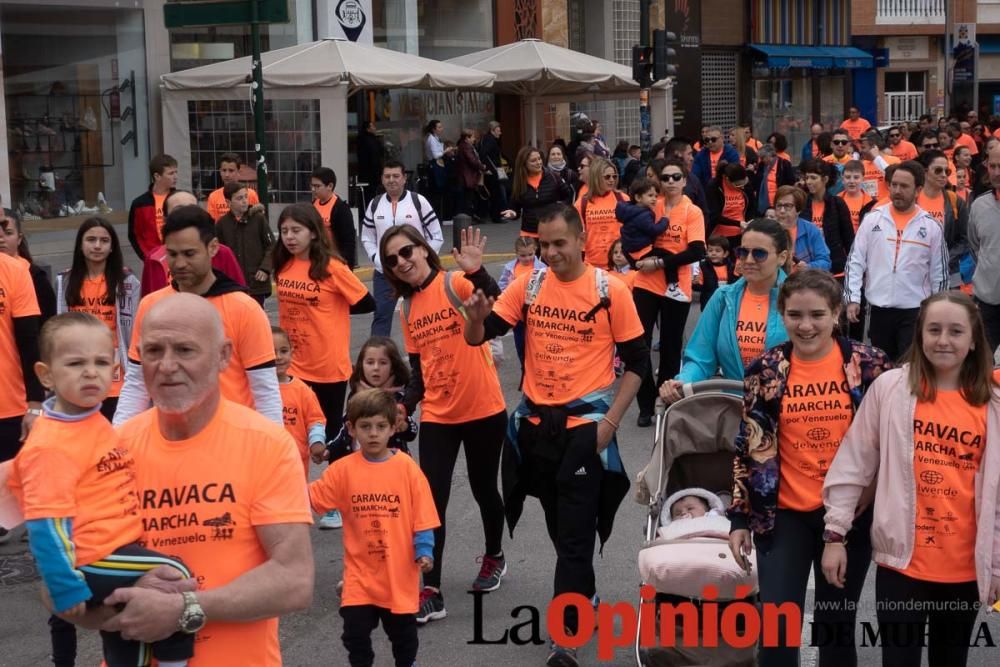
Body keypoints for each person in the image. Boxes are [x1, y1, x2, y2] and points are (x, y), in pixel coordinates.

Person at [462, 203, 648, 667]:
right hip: (535, 429)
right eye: (543, 244)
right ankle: (585, 597)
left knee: (575, 536)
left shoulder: (611, 289)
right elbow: (479, 336)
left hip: (586, 429)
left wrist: (610, 424)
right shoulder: (532, 282)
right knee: (558, 526)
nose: (550, 253)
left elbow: (640, 364)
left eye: (559, 243)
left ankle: (565, 636)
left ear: (583, 240)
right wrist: (474, 313)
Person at [105, 293, 313, 666]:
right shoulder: (111, 452)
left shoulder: (266, 445)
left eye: (185, 350)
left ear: (223, 355)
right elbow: (61, 588)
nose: (167, 366)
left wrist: (184, 608)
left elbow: (295, 580)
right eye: (153, 351)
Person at [821, 292, 1000, 667]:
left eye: (955, 331)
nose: (943, 340)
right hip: (902, 566)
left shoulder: (992, 405)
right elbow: (855, 463)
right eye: (933, 329)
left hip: (964, 569)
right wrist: (835, 534)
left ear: (973, 340)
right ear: (919, 335)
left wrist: (996, 565)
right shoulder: (891, 390)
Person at [8, 312, 196, 667]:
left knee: (127, 641)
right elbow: (47, 525)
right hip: (93, 558)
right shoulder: (50, 445)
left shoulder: (92, 420)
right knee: (177, 574)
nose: (91, 371)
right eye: (76, 363)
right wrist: (65, 584)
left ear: (115, 369)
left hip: (117, 546)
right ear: (45, 375)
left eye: (101, 361)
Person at [728, 269, 892, 667]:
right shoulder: (765, 370)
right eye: (795, 315)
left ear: (837, 313)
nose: (806, 325)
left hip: (849, 516)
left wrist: (859, 508)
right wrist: (739, 517)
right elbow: (748, 446)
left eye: (817, 314)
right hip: (783, 515)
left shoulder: (870, 366)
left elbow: (887, 447)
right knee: (778, 634)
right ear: (781, 314)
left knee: (836, 630)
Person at [381, 225, 508, 622]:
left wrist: (478, 274)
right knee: (432, 500)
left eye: (406, 252)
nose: (401, 262)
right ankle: (431, 588)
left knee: (484, 488)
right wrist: (404, 404)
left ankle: (494, 556)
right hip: (439, 413)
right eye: (392, 260)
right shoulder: (406, 309)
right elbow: (419, 371)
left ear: (423, 249)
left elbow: (499, 311)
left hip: (484, 407)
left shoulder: (455, 283)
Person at [113, 206, 282, 425]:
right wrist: (117, 441)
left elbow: (266, 391)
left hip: (231, 443)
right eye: (172, 254)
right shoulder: (150, 306)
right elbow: (136, 383)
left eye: (189, 253)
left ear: (212, 248)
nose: (180, 263)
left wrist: (270, 451)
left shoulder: (245, 309)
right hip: (170, 440)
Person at [308, 389, 439, 667]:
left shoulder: (407, 469)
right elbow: (310, 498)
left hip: (398, 573)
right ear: (351, 429)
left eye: (381, 426)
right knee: (354, 633)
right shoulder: (343, 470)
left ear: (393, 428)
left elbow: (423, 515)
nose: (373, 433)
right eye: (365, 427)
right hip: (359, 575)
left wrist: (425, 550)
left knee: (403, 635)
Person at [659, 218, 790, 403]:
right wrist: (683, 381)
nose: (749, 260)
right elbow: (701, 357)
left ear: (782, 257)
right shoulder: (723, 298)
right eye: (743, 252)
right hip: (735, 409)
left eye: (759, 254)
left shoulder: (797, 300)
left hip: (786, 410)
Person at [274, 203, 374, 443]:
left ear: (314, 232)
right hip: (292, 364)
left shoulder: (333, 267)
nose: (289, 237)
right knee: (293, 435)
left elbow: (366, 303)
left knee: (330, 438)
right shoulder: (283, 264)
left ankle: (335, 480)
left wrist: (330, 311)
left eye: (296, 230)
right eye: (284, 230)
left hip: (327, 366)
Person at [845, 161, 948, 361]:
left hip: (915, 311)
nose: (897, 190)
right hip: (878, 310)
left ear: (918, 190)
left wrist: (938, 310)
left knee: (908, 368)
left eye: (904, 186)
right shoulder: (873, 219)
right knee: (880, 367)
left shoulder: (932, 226)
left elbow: (939, 273)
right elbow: (855, 260)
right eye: (894, 185)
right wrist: (852, 299)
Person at [633, 158, 707, 426]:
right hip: (645, 282)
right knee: (637, 344)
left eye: (676, 177)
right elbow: (634, 233)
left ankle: (663, 400)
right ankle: (645, 403)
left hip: (676, 285)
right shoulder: (654, 205)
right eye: (665, 178)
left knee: (670, 347)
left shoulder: (692, 211)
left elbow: (697, 251)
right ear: (659, 182)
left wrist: (662, 262)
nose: (671, 182)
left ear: (685, 181)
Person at [55, 217, 140, 421]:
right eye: (91, 239)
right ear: (80, 245)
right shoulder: (64, 281)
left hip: (116, 371)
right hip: (78, 368)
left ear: (112, 247)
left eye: (104, 240)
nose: (97, 246)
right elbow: (59, 326)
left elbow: (135, 329)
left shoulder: (127, 282)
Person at [361, 159, 444, 338]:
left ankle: (427, 354)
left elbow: (436, 235)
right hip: (386, 272)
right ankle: (380, 358)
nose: (392, 180)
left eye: (396, 176)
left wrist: (423, 259)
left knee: (425, 314)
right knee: (381, 315)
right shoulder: (375, 204)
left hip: (416, 270)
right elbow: (367, 237)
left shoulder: (418, 201)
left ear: (404, 178)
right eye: (387, 176)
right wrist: (377, 259)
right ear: (382, 179)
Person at [326, 336, 417, 464]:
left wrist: (405, 425)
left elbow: (412, 432)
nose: (376, 368)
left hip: (390, 465)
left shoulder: (398, 397)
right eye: (370, 362)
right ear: (361, 365)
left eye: (383, 363)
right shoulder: (356, 395)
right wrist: (330, 449)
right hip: (358, 462)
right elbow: (346, 428)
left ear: (392, 366)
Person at [140, 190, 246, 296]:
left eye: (190, 254)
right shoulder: (154, 258)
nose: (180, 264)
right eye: (179, 211)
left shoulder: (222, 252)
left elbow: (238, 293)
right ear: (165, 220)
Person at [272, 325, 326, 481]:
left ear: (292, 353)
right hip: (262, 461)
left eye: (283, 351)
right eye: (272, 352)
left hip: (295, 463)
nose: (278, 357)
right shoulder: (254, 389)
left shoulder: (302, 391)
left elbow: (315, 420)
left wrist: (316, 442)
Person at [215, 182, 275, 306]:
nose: (244, 201)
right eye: (239, 198)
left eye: (246, 197)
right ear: (228, 202)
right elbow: (218, 253)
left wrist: (265, 269)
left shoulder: (258, 219)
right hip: (232, 283)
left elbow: (272, 246)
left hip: (256, 282)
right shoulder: (222, 224)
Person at [917, 149, 969, 288]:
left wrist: (944, 258)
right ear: (925, 171)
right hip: (916, 271)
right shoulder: (912, 199)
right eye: (938, 170)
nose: (944, 175)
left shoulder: (955, 201)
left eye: (947, 171)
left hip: (949, 271)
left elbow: (965, 238)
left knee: (950, 308)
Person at [968, 141, 1000, 354]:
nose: (996, 172)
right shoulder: (979, 205)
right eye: (993, 166)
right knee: (981, 360)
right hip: (988, 300)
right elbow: (975, 246)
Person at [498, 237, 545, 373]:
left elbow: (547, 287)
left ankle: (537, 368)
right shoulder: (510, 268)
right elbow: (502, 286)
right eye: (522, 255)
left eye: (530, 254)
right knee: (520, 344)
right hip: (517, 314)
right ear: (516, 253)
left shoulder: (541, 268)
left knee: (537, 343)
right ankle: (524, 367)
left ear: (535, 251)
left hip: (535, 312)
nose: (527, 258)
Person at [502, 147, 574, 236]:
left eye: (539, 159)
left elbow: (568, 196)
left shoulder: (553, 177)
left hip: (550, 232)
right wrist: (512, 213)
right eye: (533, 161)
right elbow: (515, 207)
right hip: (528, 233)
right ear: (524, 164)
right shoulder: (519, 182)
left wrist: (558, 208)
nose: (538, 163)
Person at [799, 159, 854, 275]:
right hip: (807, 266)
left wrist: (853, 268)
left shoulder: (837, 204)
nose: (808, 182)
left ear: (825, 179)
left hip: (835, 266)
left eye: (813, 178)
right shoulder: (802, 204)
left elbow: (849, 239)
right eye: (807, 177)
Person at [616, 177, 675, 285]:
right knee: (669, 256)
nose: (654, 199)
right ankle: (673, 284)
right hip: (643, 249)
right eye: (650, 195)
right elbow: (654, 230)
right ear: (638, 197)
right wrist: (665, 219)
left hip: (629, 249)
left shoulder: (629, 210)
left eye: (656, 196)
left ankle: (635, 264)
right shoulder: (643, 214)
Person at [0, 212, 56, 323]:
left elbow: (48, 323)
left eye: (8, 233)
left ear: (19, 238)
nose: (1, 239)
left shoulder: (36, 277)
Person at [576, 157, 626, 268]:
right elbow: (577, 235)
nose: (612, 180)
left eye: (614, 176)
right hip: (592, 264)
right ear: (596, 177)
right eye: (607, 177)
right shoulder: (582, 203)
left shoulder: (623, 199)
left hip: (618, 264)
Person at [127, 154, 177, 261]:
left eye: (176, 172)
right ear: (157, 176)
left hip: (177, 256)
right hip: (153, 258)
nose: (175, 177)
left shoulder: (180, 199)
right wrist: (146, 257)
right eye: (171, 173)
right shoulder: (140, 203)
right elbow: (135, 235)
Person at [771, 185, 831, 272]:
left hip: (803, 281)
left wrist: (808, 267)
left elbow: (825, 262)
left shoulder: (811, 230)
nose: (782, 210)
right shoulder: (767, 230)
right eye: (779, 205)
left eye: (788, 206)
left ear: (798, 210)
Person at [310, 167, 358, 268]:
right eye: (312, 186)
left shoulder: (340, 209)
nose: (313, 190)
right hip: (316, 261)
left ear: (330, 186)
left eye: (317, 186)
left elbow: (348, 242)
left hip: (334, 263)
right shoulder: (313, 205)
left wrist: (347, 266)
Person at [205, 153, 260, 222]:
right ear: (220, 172)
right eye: (224, 170)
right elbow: (212, 224)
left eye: (231, 171)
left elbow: (257, 221)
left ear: (239, 172)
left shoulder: (251, 194)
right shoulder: (213, 196)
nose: (227, 175)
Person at [707, 161, 752, 242]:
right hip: (719, 236)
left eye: (744, 183)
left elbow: (752, 206)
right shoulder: (714, 186)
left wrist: (749, 222)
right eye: (738, 185)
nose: (742, 187)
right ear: (727, 179)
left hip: (742, 232)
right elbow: (714, 215)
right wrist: (738, 223)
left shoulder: (745, 184)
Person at [751, 143, 796, 216]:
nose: (761, 160)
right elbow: (757, 182)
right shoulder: (762, 165)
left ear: (770, 155)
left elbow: (791, 181)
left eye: (763, 157)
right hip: (765, 202)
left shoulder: (784, 164)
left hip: (780, 199)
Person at [479, 121, 509, 223]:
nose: (500, 133)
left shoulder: (487, 139)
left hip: (493, 170)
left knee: (497, 193)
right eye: (498, 131)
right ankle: (496, 216)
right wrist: (490, 168)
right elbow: (484, 154)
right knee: (496, 193)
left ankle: (496, 214)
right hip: (494, 170)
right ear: (492, 130)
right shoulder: (490, 141)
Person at [696, 235, 737, 310]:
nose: (713, 253)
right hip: (708, 304)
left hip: (727, 304)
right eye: (710, 250)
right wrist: (695, 283)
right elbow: (699, 287)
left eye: (717, 251)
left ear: (725, 254)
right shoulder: (703, 266)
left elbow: (735, 284)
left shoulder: (731, 267)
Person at [456, 128, 487, 219]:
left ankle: (471, 215)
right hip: (468, 176)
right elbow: (472, 161)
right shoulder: (466, 147)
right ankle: (469, 216)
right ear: (466, 138)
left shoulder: (463, 146)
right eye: (472, 137)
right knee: (469, 198)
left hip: (466, 176)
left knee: (468, 197)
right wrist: (482, 167)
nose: (474, 139)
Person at [838, 160, 875, 233]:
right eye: (848, 177)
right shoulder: (836, 200)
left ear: (863, 179)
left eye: (856, 177)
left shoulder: (871, 203)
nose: (852, 181)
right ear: (842, 179)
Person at [356, 120, 384, 198]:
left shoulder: (362, 140)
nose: (375, 128)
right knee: (371, 194)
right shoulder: (371, 141)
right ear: (368, 129)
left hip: (365, 174)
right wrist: (378, 173)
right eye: (373, 126)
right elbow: (375, 158)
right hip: (371, 175)